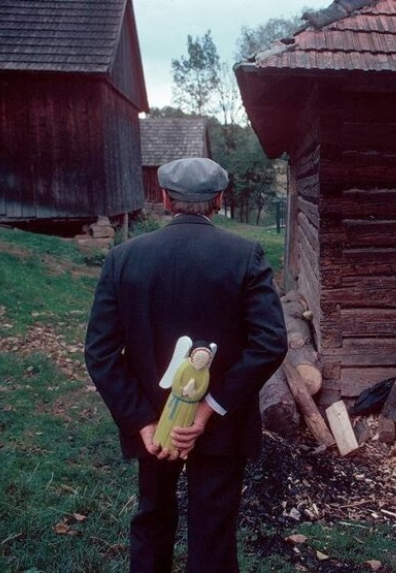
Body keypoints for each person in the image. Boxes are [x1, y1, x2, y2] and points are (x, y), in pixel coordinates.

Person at [84, 157, 288, 572]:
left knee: (152, 517)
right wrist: (209, 407)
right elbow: (270, 343)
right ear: (219, 199)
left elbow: (99, 352)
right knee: (214, 529)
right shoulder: (244, 255)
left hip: (152, 420)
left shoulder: (124, 257)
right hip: (220, 423)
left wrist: (143, 421)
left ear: (164, 199)